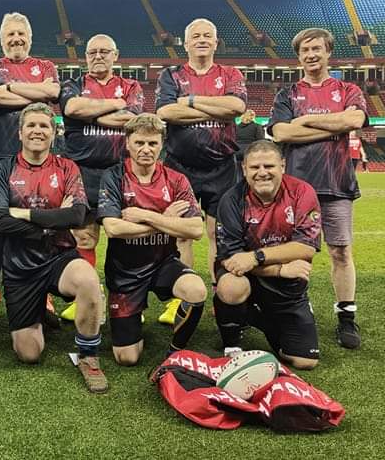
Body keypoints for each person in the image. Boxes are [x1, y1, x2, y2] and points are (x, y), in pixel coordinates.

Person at [0, 103, 108, 393]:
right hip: (19, 265)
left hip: (59, 257)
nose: (37, 131)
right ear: (20, 132)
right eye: (31, 125)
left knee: (89, 280)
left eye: (44, 126)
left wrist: (22, 213)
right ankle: (37, 310)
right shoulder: (3, 169)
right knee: (29, 353)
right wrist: (53, 221)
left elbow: (76, 216)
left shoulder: (67, 167)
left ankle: (89, 356)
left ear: (54, 133)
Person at [268, 28, 368, 349]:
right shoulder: (287, 94)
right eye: (305, 50)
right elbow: (282, 133)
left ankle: (346, 318)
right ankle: (298, 312)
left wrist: (307, 120)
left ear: (328, 52)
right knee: (300, 253)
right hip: (296, 188)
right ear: (298, 57)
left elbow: (354, 120)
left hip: (337, 183)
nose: (311, 55)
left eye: (316, 49)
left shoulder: (347, 89)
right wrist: (330, 127)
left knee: (340, 251)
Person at [155, 18, 246, 322]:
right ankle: (184, 295)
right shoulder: (172, 74)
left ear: (216, 42)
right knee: (182, 233)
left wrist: (192, 102)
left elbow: (236, 107)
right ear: (186, 42)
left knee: (218, 233)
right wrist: (215, 107)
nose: (202, 40)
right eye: (196, 36)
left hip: (223, 166)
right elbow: (166, 112)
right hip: (180, 167)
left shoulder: (230, 74)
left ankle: (221, 290)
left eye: (208, 35)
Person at [97, 113, 206, 366]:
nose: (146, 149)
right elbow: (113, 228)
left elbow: (195, 229)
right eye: (139, 143)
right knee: (127, 358)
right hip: (125, 273)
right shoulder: (113, 177)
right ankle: (131, 320)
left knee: (196, 289)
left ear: (161, 145)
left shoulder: (176, 179)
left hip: (163, 264)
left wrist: (146, 216)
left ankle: (175, 350)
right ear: (127, 143)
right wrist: (166, 222)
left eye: (152, 143)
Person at [214, 140, 322, 370]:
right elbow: (232, 260)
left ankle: (259, 318)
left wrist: (255, 257)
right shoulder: (231, 200)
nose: (262, 173)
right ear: (244, 169)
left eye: (269, 166)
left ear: (282, 165)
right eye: (254, 167)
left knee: (305, 361)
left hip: (286, 286)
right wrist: (280, 268)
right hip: (251, 278)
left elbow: (306, 246)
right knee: (231, 286)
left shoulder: (302, 192)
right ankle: (232, 343)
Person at [0, 13, 59, 316]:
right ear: (2, 40)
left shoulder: (47, 67)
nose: (16, 39)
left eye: (21, 34)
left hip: (41, 156)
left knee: (41, 218)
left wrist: (9, 88)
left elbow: (51, 94)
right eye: (10, 35)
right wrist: (29, 90)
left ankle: (44, 289)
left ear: (30, 37)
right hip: (0, 152)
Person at [58, 34, 144, 320]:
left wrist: (91, 113)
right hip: (81, 172)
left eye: (104, 51)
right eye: (92, 51)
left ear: (115, 55)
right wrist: (115, 104)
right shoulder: (72, 84)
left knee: (123, 237)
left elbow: (132, 120)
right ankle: (85, 295)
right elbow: (72, 108)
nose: (98, 56)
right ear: (85, 56)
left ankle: (126, 298)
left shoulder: (132, 86)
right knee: (84, 236)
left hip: (120, 173)